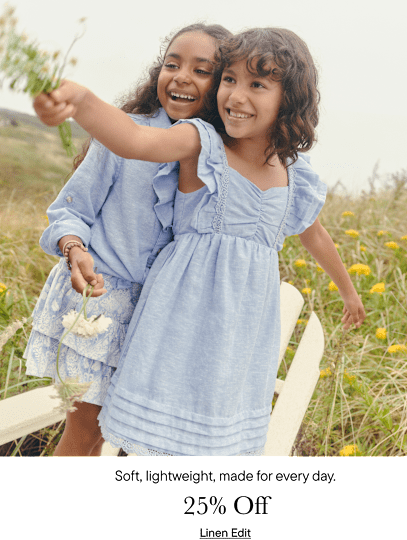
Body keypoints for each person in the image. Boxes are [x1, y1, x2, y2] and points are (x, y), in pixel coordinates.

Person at [34, 27, 366, 456]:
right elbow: (135, 141)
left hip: (238, 334)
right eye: (230, 79)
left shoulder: (293, 173)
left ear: (291, 98)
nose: (237, 95)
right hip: (175, 318)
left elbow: (314, 233)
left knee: (205, 441)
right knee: (114, 434)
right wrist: (80, 100)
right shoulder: (201, 142)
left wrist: (349, 291)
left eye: (257, 84)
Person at [25, 23, 232, 457]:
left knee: (135, 440)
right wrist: (74, 249)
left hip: (161, 321)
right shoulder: (124, 134)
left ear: (225, 85)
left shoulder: (220, 159)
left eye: (201, 69)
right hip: (99, 303)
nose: (180, 76)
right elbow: (71, 210)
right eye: (171, 64)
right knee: (86, 434)